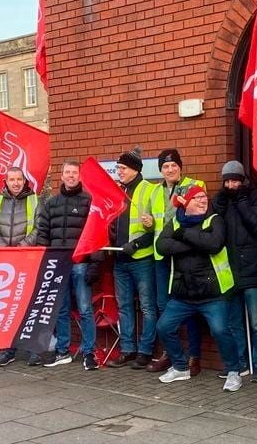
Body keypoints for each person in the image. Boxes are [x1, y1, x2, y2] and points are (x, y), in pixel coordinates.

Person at [155, 185, 244, 392]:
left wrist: (183, 234)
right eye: (197, 198)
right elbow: (162, 246)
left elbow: (214, 244)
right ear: (186, 202)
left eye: (205, 196)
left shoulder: (214, 220)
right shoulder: (174, 221)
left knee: (221, 331)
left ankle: (233, 371)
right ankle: (179, 367)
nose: (204, 200)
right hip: (183, 294)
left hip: (213, 294)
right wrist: (197, 242)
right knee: (164, 327)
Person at [34, 161, 99, 370]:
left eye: (74, 173)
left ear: (80, 176)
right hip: (58, 266)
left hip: (80, 263)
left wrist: (94, 264)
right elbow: (43, 232)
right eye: (67, 173)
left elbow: (96, 233)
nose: (70, 176)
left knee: (85, 309)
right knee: (60, 310)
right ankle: (63, 351)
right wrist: (46, 261)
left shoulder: (89, 201)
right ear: (61, 176)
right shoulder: (51, 203)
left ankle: (89, 352)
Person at [146, 148, 206, 377]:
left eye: (173, 165)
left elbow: (201, 213)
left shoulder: (195, 184)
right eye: (165, 166)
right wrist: (149, 223)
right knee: (164, 306)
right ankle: (170, 354)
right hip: (162, 257)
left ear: (180, 166)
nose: (170, 170)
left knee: (189, 308)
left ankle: (194, 356)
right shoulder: (154, 191)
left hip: (185, 256)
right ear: (160, 170)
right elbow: (154, 223)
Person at [106, 147, 164, 369]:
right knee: (124, 307)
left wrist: (137, 244)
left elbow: (157, 227)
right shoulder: (119, 191)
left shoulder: (150, 190)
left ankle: (145, 351)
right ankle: (128, 350)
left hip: (142, 258)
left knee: (148, 307)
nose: (118, 171)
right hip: (121, 259)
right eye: (118, 168)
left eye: (122, 168)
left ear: (134, 170)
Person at [212, 160, 257, 380]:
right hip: (230, 269)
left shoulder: (255, 197)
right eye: (227, 181)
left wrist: (242, 201)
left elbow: (256, 225)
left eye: (235, 180)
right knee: (234, 323)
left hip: (253, 269)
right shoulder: (221, 200)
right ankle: (240, 363)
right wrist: (224, 201)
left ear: (243, 180)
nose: (231, 185)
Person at [0, 166, 42, 368]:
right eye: (12, 179)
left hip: (27, 259)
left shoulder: (34, 200)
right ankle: (8, 349)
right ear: (6, 181)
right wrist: (5, 249)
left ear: (24, 180)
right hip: (5, 262)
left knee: (30, 306)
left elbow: (39, 226)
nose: (16, 183)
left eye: (19, 179)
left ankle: (33, 350)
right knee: (7, 307)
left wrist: (22, 247)